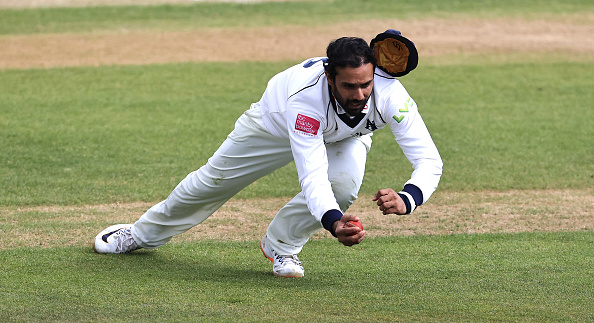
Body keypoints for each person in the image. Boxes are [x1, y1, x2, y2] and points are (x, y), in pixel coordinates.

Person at [93, 30, 443, 278]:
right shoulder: (305, 101)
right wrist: (335, 223)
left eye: (366, 84)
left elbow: (429, 160)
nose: (360, 93)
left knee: (345, 185)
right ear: (329, 77)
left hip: (347, 135)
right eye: (348, 86)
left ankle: (281, 246)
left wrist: (408, 198)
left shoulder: (391, 96)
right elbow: (311, 175)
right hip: (272, 127)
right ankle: (141, 234)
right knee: (211, 183)